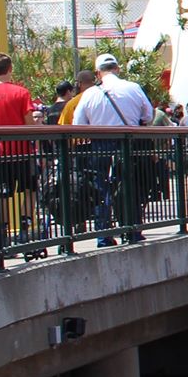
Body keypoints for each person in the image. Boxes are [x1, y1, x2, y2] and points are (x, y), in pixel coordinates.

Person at [71, 55, 156, 246]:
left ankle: (104, 235)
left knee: (101, 188)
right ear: (117, 68)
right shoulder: (133, 88)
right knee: (129, 186)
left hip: (100, 144)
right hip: (129, 142)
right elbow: (148, 115)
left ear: (98, 73)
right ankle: (132, 230)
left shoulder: (90, 93)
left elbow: (78, 124)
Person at [0, 54, 37, 251]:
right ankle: (25, 227)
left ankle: (2, 234)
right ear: (10, 68)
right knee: (30, 190)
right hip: (22, 151)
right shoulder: (21, 93)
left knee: (2, 194)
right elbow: (29, 123)